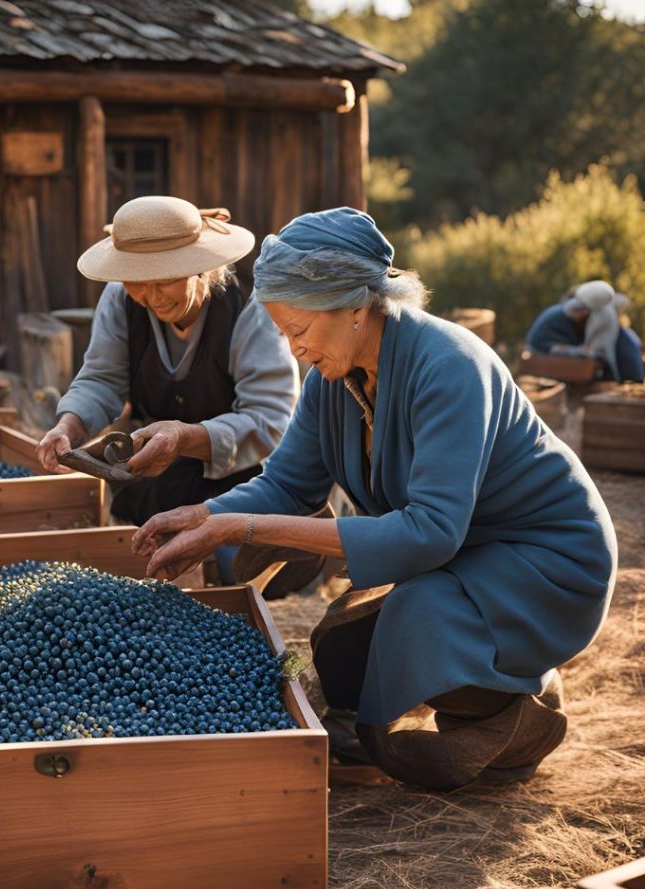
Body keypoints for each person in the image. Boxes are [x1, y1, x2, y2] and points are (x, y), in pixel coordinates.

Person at [132, 207, 618, 791]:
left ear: (357, 306)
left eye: (301, 331)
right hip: (467, 555)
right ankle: (505, 678)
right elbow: (288, 485)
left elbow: (429, 533)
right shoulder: (331, 379)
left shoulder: (450, 368)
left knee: (419, 624)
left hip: (546, 562)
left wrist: (244, 528)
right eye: (284, 333)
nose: (294, 350)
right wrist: (206, 515)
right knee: (339, 649)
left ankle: (521, 718)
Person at [36, 196, 300, 584]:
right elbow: (102, 379)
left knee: (229, 571)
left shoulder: (249, 308)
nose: (152, 297)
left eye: (165, 281)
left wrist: (184, 438)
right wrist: (69, 426)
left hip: (242, 479)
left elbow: (269, 420)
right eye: (138, 283)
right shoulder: (121, 300)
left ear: (202, 269)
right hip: (157, 471)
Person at [526, 279, 644, 382]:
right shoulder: (559, 319)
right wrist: (585, 352)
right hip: (547, 355)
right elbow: (553, 348)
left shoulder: (603, 316)